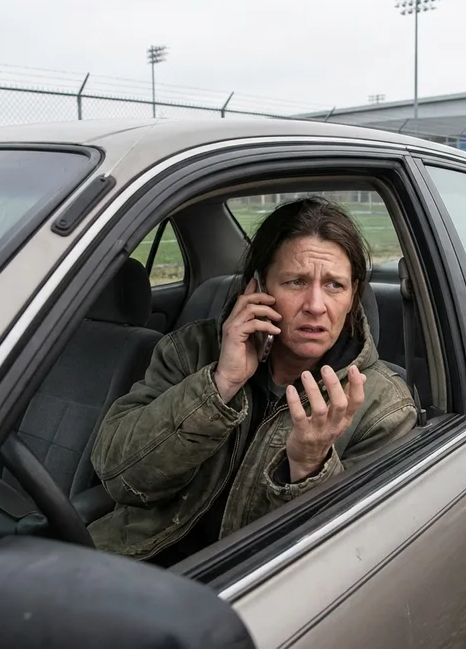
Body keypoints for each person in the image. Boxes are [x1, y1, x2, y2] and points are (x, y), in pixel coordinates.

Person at [87, 196, 418, 563]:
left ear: (353, 293)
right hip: (132, 562)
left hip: (251, 587)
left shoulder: (382, 406)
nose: (316, 305)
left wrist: (309, 465)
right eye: (296, 282)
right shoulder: (191, 350)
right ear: (257, 287)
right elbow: (118, 474)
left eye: (334, 286)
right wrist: (218, 385)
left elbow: (350, 559)